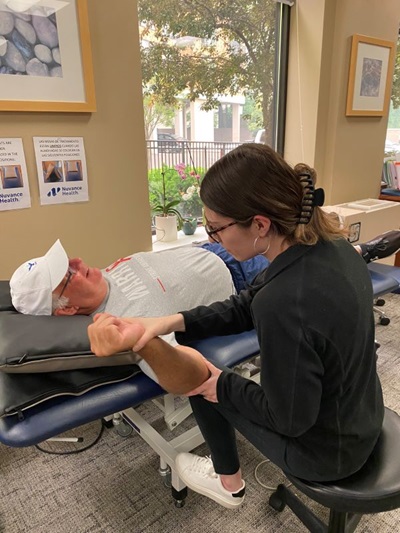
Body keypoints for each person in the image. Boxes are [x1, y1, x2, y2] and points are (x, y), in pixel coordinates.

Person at [88, 143, 387, 510]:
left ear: (260, 224)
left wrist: (218, 382)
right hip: (362, 415)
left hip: (328, 455)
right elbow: (249, 302)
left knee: (197, 376)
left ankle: (228, 483)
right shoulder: (332, 246)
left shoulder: (285, 303)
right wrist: (170, 320)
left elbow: (289, 420)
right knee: (210, 374)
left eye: (215, 230)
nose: (213, 240)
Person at [9, 240, 236, 386]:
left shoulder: (99, 277)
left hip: (210, 246)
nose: (78, 262)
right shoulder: (121, 323)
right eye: (69, 272)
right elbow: (189, 379)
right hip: (240, 276)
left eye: (68, 261)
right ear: (68, 308)